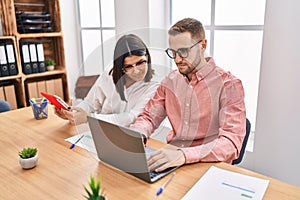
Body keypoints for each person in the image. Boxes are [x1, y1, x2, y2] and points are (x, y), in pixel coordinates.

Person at [130, 18, 246, 172]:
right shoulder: (170, 81)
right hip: (173, 164)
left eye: (183, 51)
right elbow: (149, 117)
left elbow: (231, 143)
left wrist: (184, 155)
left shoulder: (229, 85)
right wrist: (138, 132)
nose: (177, 59)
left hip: (209, 167)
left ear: (203, 45)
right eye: (173, 52)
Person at [55, 34, 159, 126]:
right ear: (121, 67)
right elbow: (90, 104)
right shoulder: (109, 75)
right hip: (101, 133)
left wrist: (89, 118)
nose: (136, 71)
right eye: (129, 66)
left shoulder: (154, 86)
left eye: (141, 62)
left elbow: (132, 118)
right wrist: (72, 114)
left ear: (147, 58)